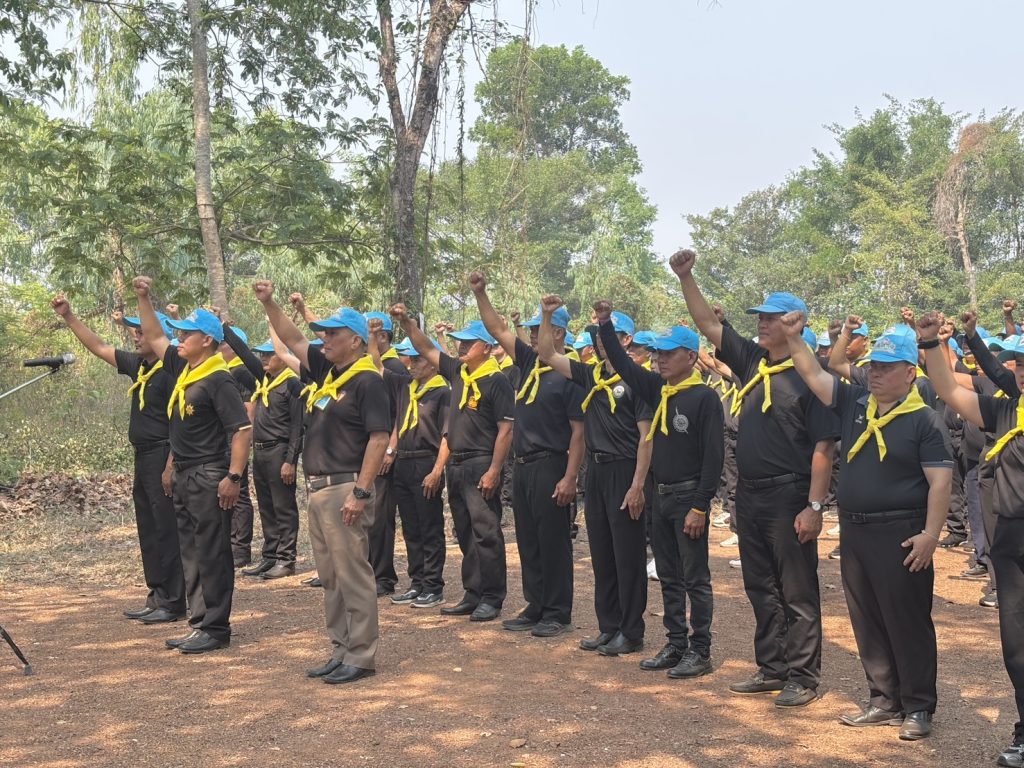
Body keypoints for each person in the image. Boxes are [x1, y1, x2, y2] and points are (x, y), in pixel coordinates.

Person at [673, 249, 838, 708]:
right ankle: (772, 667)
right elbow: (707, 324)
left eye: (770, 318)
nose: (761, 324)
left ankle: (803, 676)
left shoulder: (811, 376)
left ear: (795, 323)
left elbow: (824, 447)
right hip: (751, 495)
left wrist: (814, 506)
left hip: (790, 494)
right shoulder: (754, 361)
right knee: (760, 586)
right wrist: (687, 277)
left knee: (797, 590)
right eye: (759, 318)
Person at [780, 312, 952, 741]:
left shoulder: (924, 419)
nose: (875, 373)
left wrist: (931, 535)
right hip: (855, 531)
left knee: (907, 619)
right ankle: (884, 699)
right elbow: (813, 373)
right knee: (867, 617)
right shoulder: (855, 404)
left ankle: (918, 705)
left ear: (909, 373)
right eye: (873, 365)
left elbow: (940, 482)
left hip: (901, 532)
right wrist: (794, 337)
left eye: (886, 367)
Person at [256, 280, 390, 685]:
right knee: (331, 577)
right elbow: (294, 338)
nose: (324, 339)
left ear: (356, 340)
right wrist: (269, 302)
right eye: (324, 334)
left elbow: (379, 439)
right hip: (319, 490)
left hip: (345, 489)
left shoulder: (368, 381)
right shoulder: (328, 374)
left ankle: (361, 655)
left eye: (333, 334)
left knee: (353, 575)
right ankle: (340, 648)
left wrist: (360, 492)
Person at [595, 302, 725, 677]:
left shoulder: (704, 398)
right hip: (661, 495)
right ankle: (676, 642)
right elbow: (623, 364)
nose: (660, 360)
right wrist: (605, 324)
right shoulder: (657, 390)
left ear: (691, 357)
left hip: (688, 498)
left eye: (669, 354)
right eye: (658, 354)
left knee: (695, 577)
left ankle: (700, 649)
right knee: (668, 574)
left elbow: (713, 459)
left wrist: (700, 507)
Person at [919, 314, 1024, 766]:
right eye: (1020, 364)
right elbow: (948, 389)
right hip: (1013, 550)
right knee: (1017, 647)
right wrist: (930, 343)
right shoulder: (1007, 410)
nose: (1021, 371)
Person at [132, 278, 252, 654]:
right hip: (184, 473)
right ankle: (199, 622)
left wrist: (234, 476)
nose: (179, 337)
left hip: (208, 474)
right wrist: (143, 298)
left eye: (187, 333)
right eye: (180, 332)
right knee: (192, 552)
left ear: (208, 340)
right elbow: (155, 335)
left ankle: (216, 627)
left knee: (212, 551)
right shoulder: (185, 370)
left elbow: (241, 430)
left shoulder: (218, 379)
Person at [51, 297, 185, 624]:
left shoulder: (172, 372)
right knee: (148, 528)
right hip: (143, 456)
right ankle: (157, 594)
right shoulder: (139, 365)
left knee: (166, 529)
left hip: (163, 454)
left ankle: (174, 601)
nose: (135, 336)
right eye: (134, 331)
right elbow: (98, 346)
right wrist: (69, 316)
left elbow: (180, 423)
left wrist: (171, 465)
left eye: (141, 331)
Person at [469, 273, 586, 638]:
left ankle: (557, 612)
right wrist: (480, 293)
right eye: (533, 329)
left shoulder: (570, 374)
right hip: (523, 465)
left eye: (540, 329)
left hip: (552, 463)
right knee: (529, 539)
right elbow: (497, 329)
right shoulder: (530, 364)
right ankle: (536, 605)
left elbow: (579, 432)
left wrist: (570, 477)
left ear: (559, 333)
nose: (534, 335)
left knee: (553, 541)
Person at [535, 298, 654, 657]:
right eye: (598, 336)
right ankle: (609, 626)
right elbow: (547, 353)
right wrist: (545, 315)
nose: (601, 341)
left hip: (625, 470)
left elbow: (646, 438)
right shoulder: (591, 374)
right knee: (602, 552)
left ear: (627, 339)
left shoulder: (636, 381)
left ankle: (631, 631)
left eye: (609, 335)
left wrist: (637, 485)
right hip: (597, 471)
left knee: (627, 555)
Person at [392, 306, 515, 622]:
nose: (462, 346)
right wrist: (407, 323)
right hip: (457, 465)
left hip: (481, 462)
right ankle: (473, 593)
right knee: (465, 532)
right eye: (460, 341)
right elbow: (426, 348)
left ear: (486, 347)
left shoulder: (496, 381)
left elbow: (506, 429)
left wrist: (494, 470)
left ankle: (492, 597)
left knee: (486, 532)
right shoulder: (460, 373)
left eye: (469, 342)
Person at [222, 327, 304, 580]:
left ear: (284, 357)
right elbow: (244, 354)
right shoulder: (265, 380)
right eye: (263, 354)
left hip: (280, 451)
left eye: (270, 354)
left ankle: (286, 559)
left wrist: (291, 461)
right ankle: (270, 556)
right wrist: (223, 327)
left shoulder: (292, 384)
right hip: (260, 451)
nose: (264, 358)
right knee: (267, 506)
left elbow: (297, 426)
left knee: (283, 507)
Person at [382, 334, 451, 608]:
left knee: (429, 526)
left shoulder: (442, 392)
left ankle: (433, 585)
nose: (411, 364)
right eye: (410, 359)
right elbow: (375, 364)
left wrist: (437, 471)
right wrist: (391, 450)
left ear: (433, 363)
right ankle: (417, 582)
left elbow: (446, 436)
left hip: (426, 462)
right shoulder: (406, 388)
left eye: (418, 359)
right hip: (404, 462)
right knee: (410, 527)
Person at [366, 311, 406, 598]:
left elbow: (400, 415)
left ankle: (383, 576)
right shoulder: (364, 368)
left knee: (380, 517)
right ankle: (366, 571)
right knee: (365, 515)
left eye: (370, 334)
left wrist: (391, 449)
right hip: (366, 452)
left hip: (384, 454)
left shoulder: (396, 369)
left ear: (383, 336)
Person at [217, 324, 258, 568]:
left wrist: (242, 444)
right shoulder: (224, 371)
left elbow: (248, 411)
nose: (218, 347)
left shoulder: (241, 371)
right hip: (222, 442)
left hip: (235, 442)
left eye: (223, 343)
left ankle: (240, 548)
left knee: (239, 494)